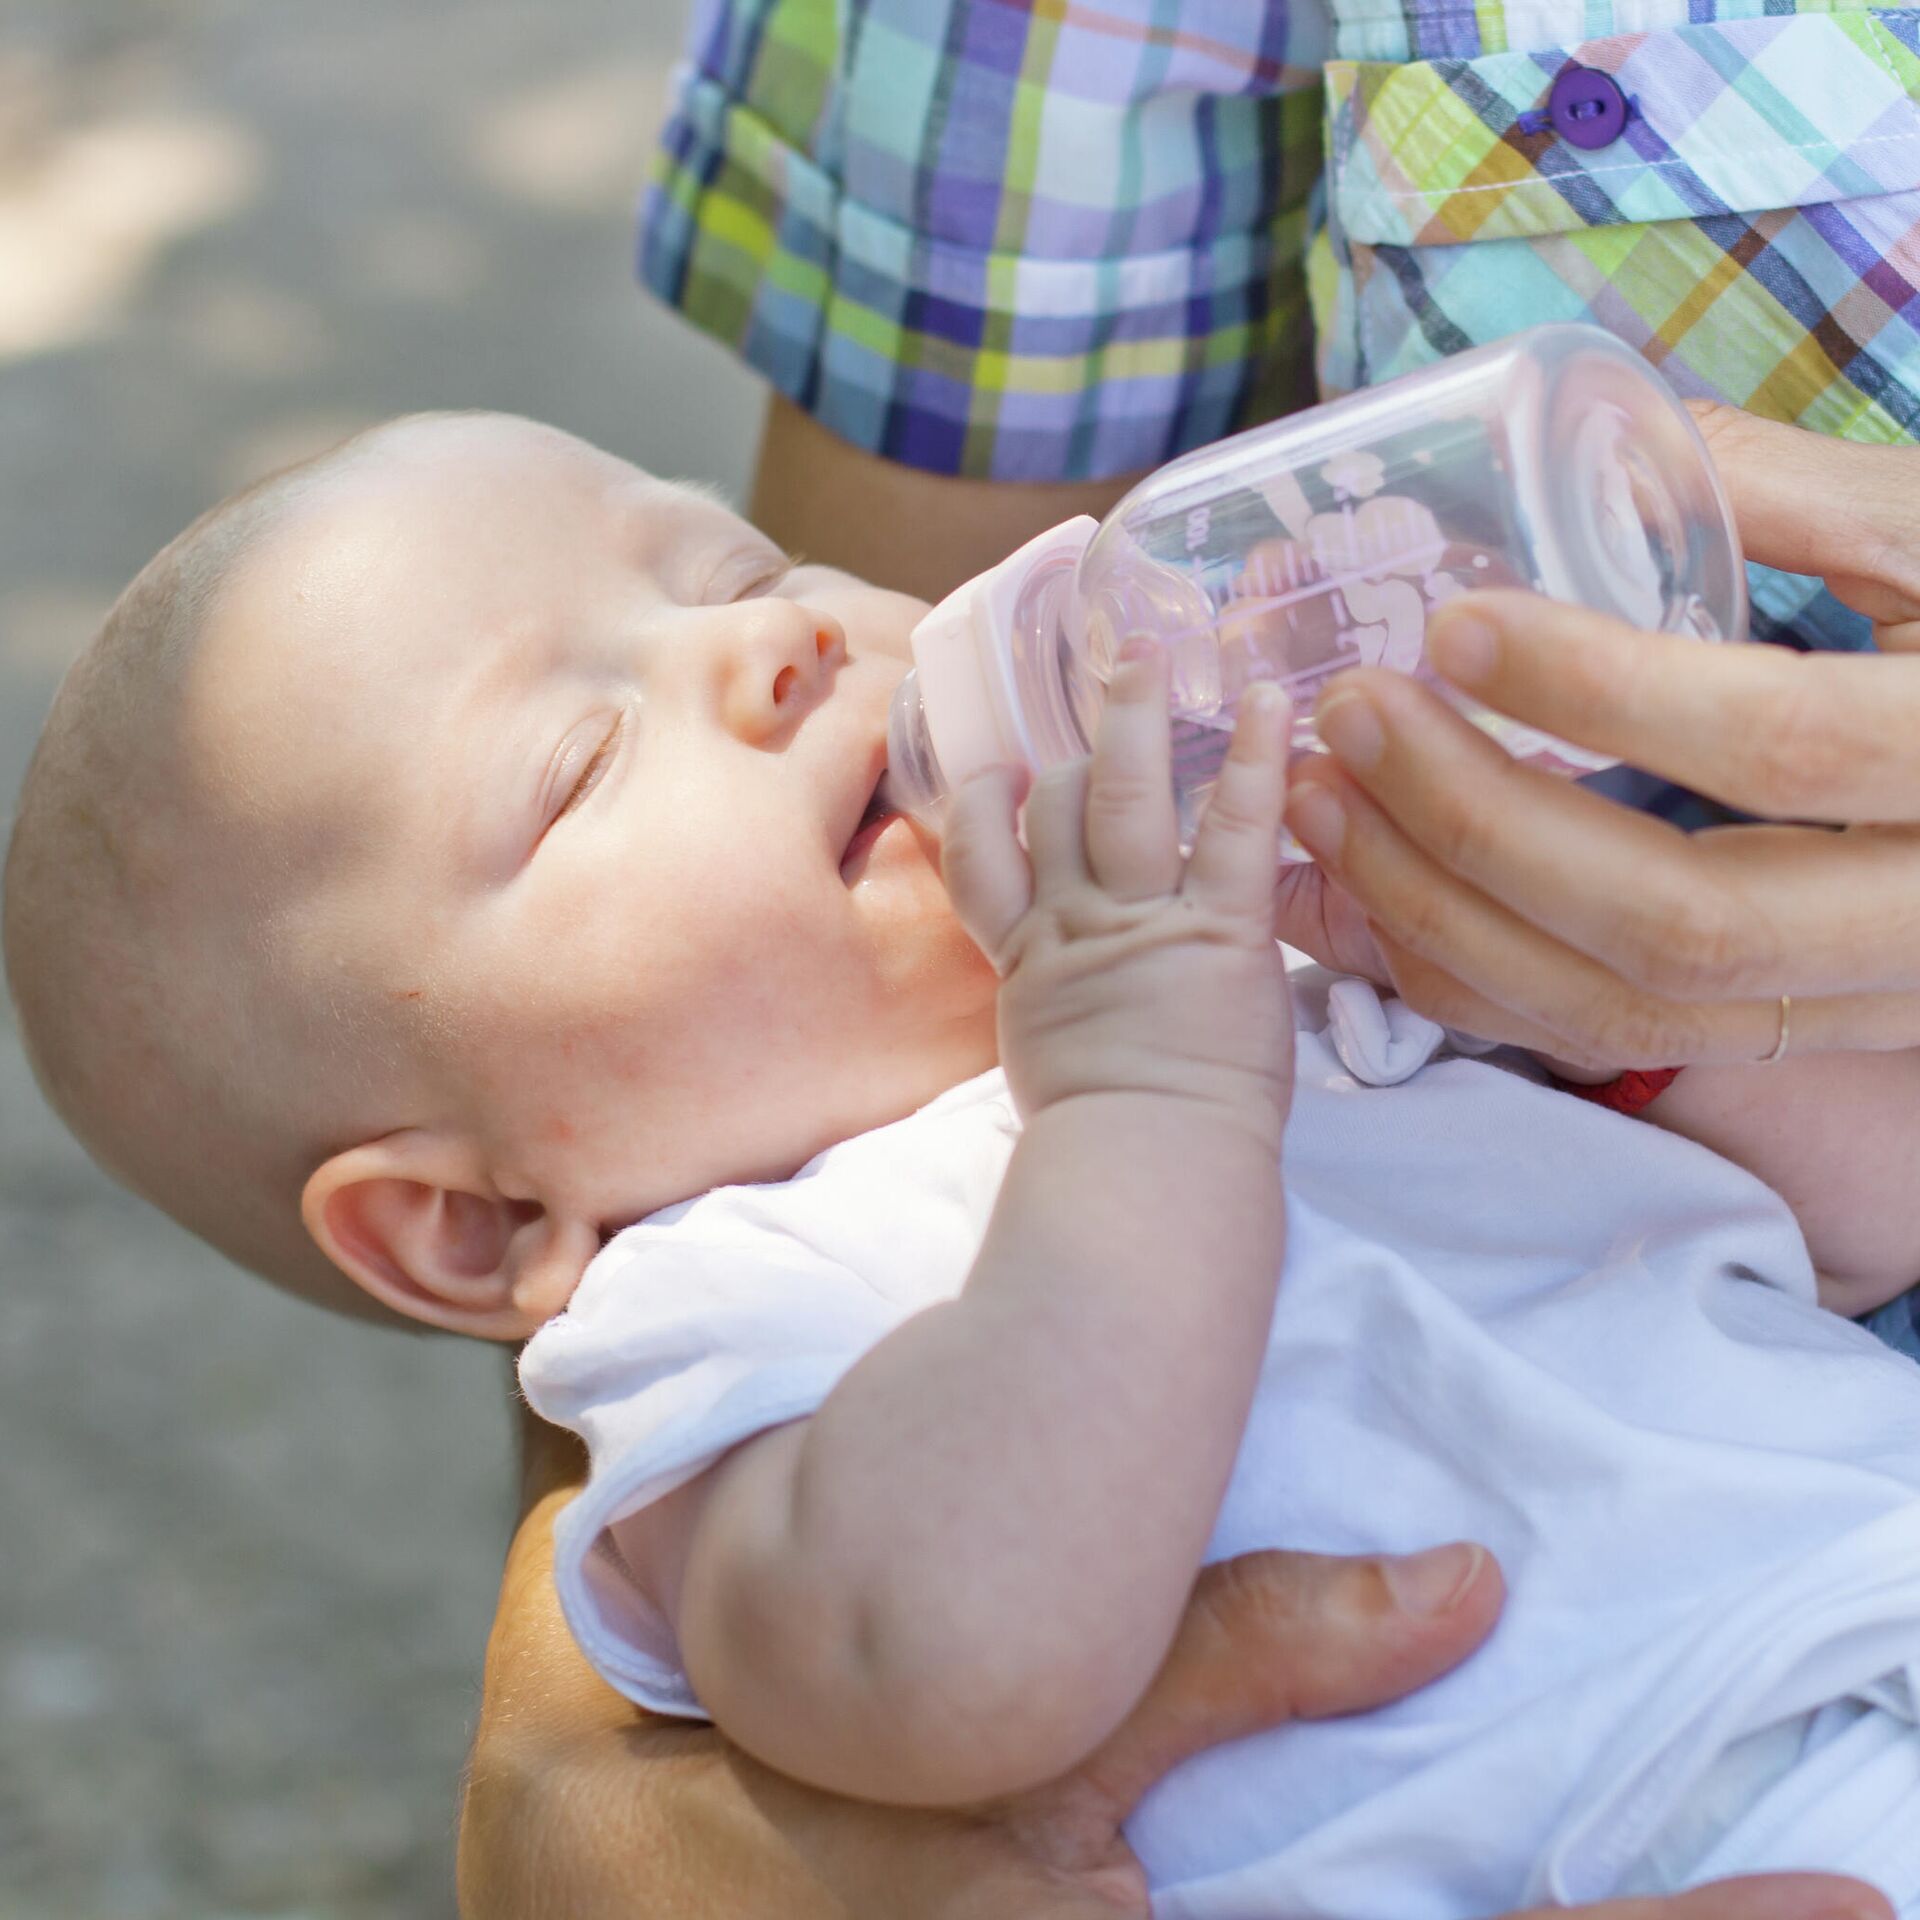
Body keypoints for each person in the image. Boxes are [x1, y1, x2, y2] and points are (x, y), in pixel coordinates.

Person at [7, 411, 1918, 1914]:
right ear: (475, 1217)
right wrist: (1148, 1102)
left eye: (727, 564)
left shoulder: (1254, 981)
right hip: (1676, 1820)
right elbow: (959, 1662)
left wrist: (1577, 1005)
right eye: (583, 755)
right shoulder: (740, 1316)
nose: (769, 641)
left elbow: (1853, 1213)